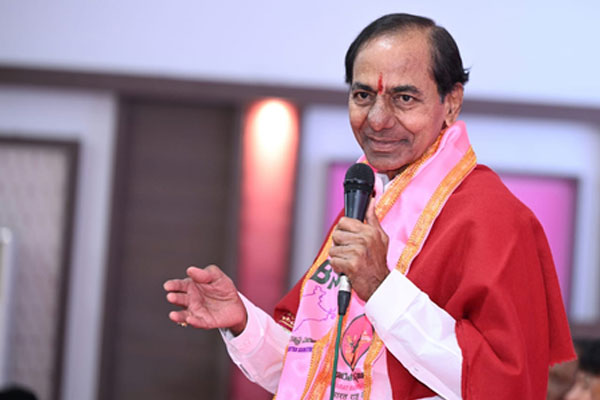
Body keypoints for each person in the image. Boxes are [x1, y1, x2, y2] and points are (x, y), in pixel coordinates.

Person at [164, 13, 575, 399]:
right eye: (363, 95)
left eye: (404, 98)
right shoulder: (370, 198)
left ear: (451, 102)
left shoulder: (495, 219)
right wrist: (242, 321)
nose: (377, 119)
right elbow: (319, 372)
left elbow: (501, 383)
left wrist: (380, 288)